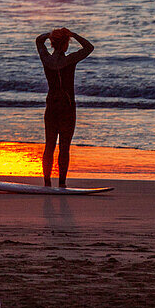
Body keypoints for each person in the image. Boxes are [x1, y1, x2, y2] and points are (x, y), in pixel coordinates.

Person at [35, 26, 94, 188]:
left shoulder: (46, 59)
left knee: (49, 145)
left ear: (53, 43)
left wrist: (52, 35)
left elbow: (39, 40)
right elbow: (89, 47)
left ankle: (47, 183)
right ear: (66, 44)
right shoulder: (71, 59)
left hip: (52, 105)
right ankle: (62, 183)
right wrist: (73, 34)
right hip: (67, 106)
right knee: (64, 147)